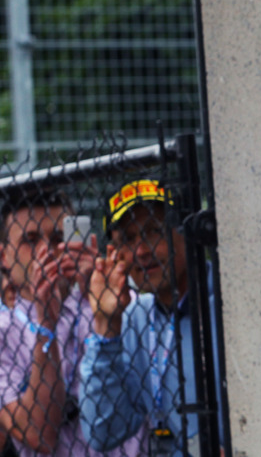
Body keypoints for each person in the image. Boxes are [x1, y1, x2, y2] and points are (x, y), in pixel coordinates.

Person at [80, 179, 221, 456]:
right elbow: (103, 431)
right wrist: (106, 327)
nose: (141, 252)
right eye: (128, 240)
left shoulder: (232, 302)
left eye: (154, 231)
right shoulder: (135, 317)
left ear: (188, 230)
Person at [0, 189, 143, 456]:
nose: (46, 250)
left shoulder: (122, 301)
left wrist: (93, 288)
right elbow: (39, 435)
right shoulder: (4, 330)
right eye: (30, 240)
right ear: (3, 257)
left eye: (57, 238)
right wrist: (46, 325)